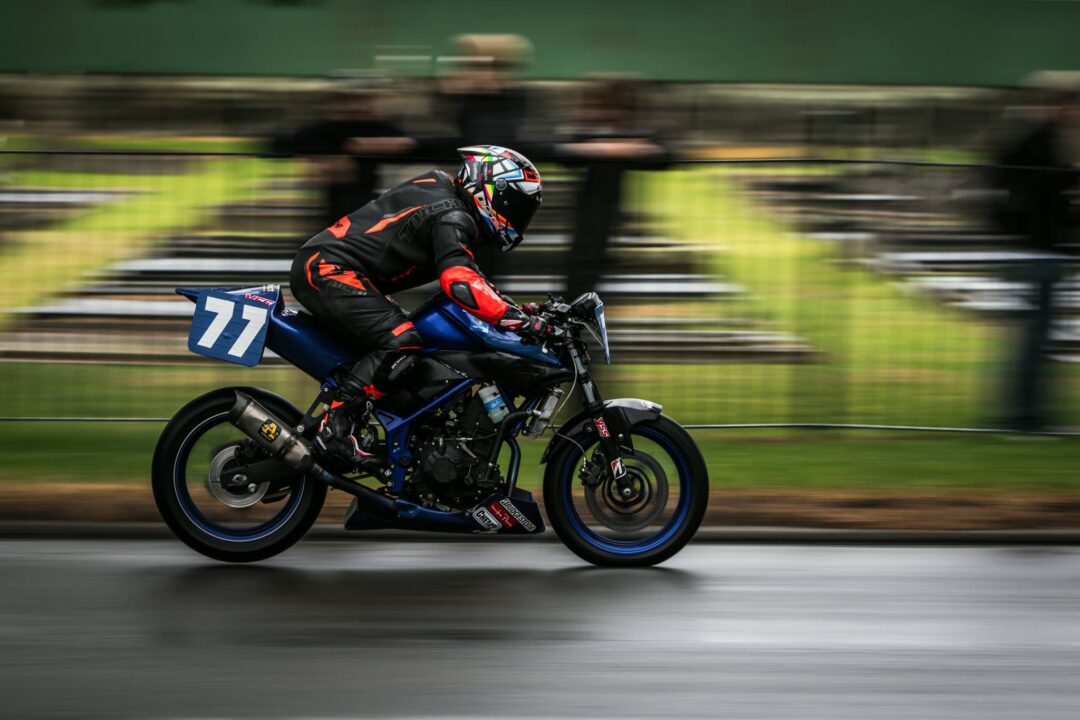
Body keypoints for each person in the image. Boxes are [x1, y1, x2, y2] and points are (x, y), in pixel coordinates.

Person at [289, 145, 545, 465]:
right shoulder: (453, 215)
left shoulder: (445, 195)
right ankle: (334, 431)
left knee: (417, 340)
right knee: (402, 340)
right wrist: (513, 318)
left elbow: (468, 275)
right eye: (516, 205)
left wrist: (515, 310)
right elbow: (460, 281)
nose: (518, 216)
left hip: (337, 268)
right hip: (328, 270)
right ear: (492, 190)